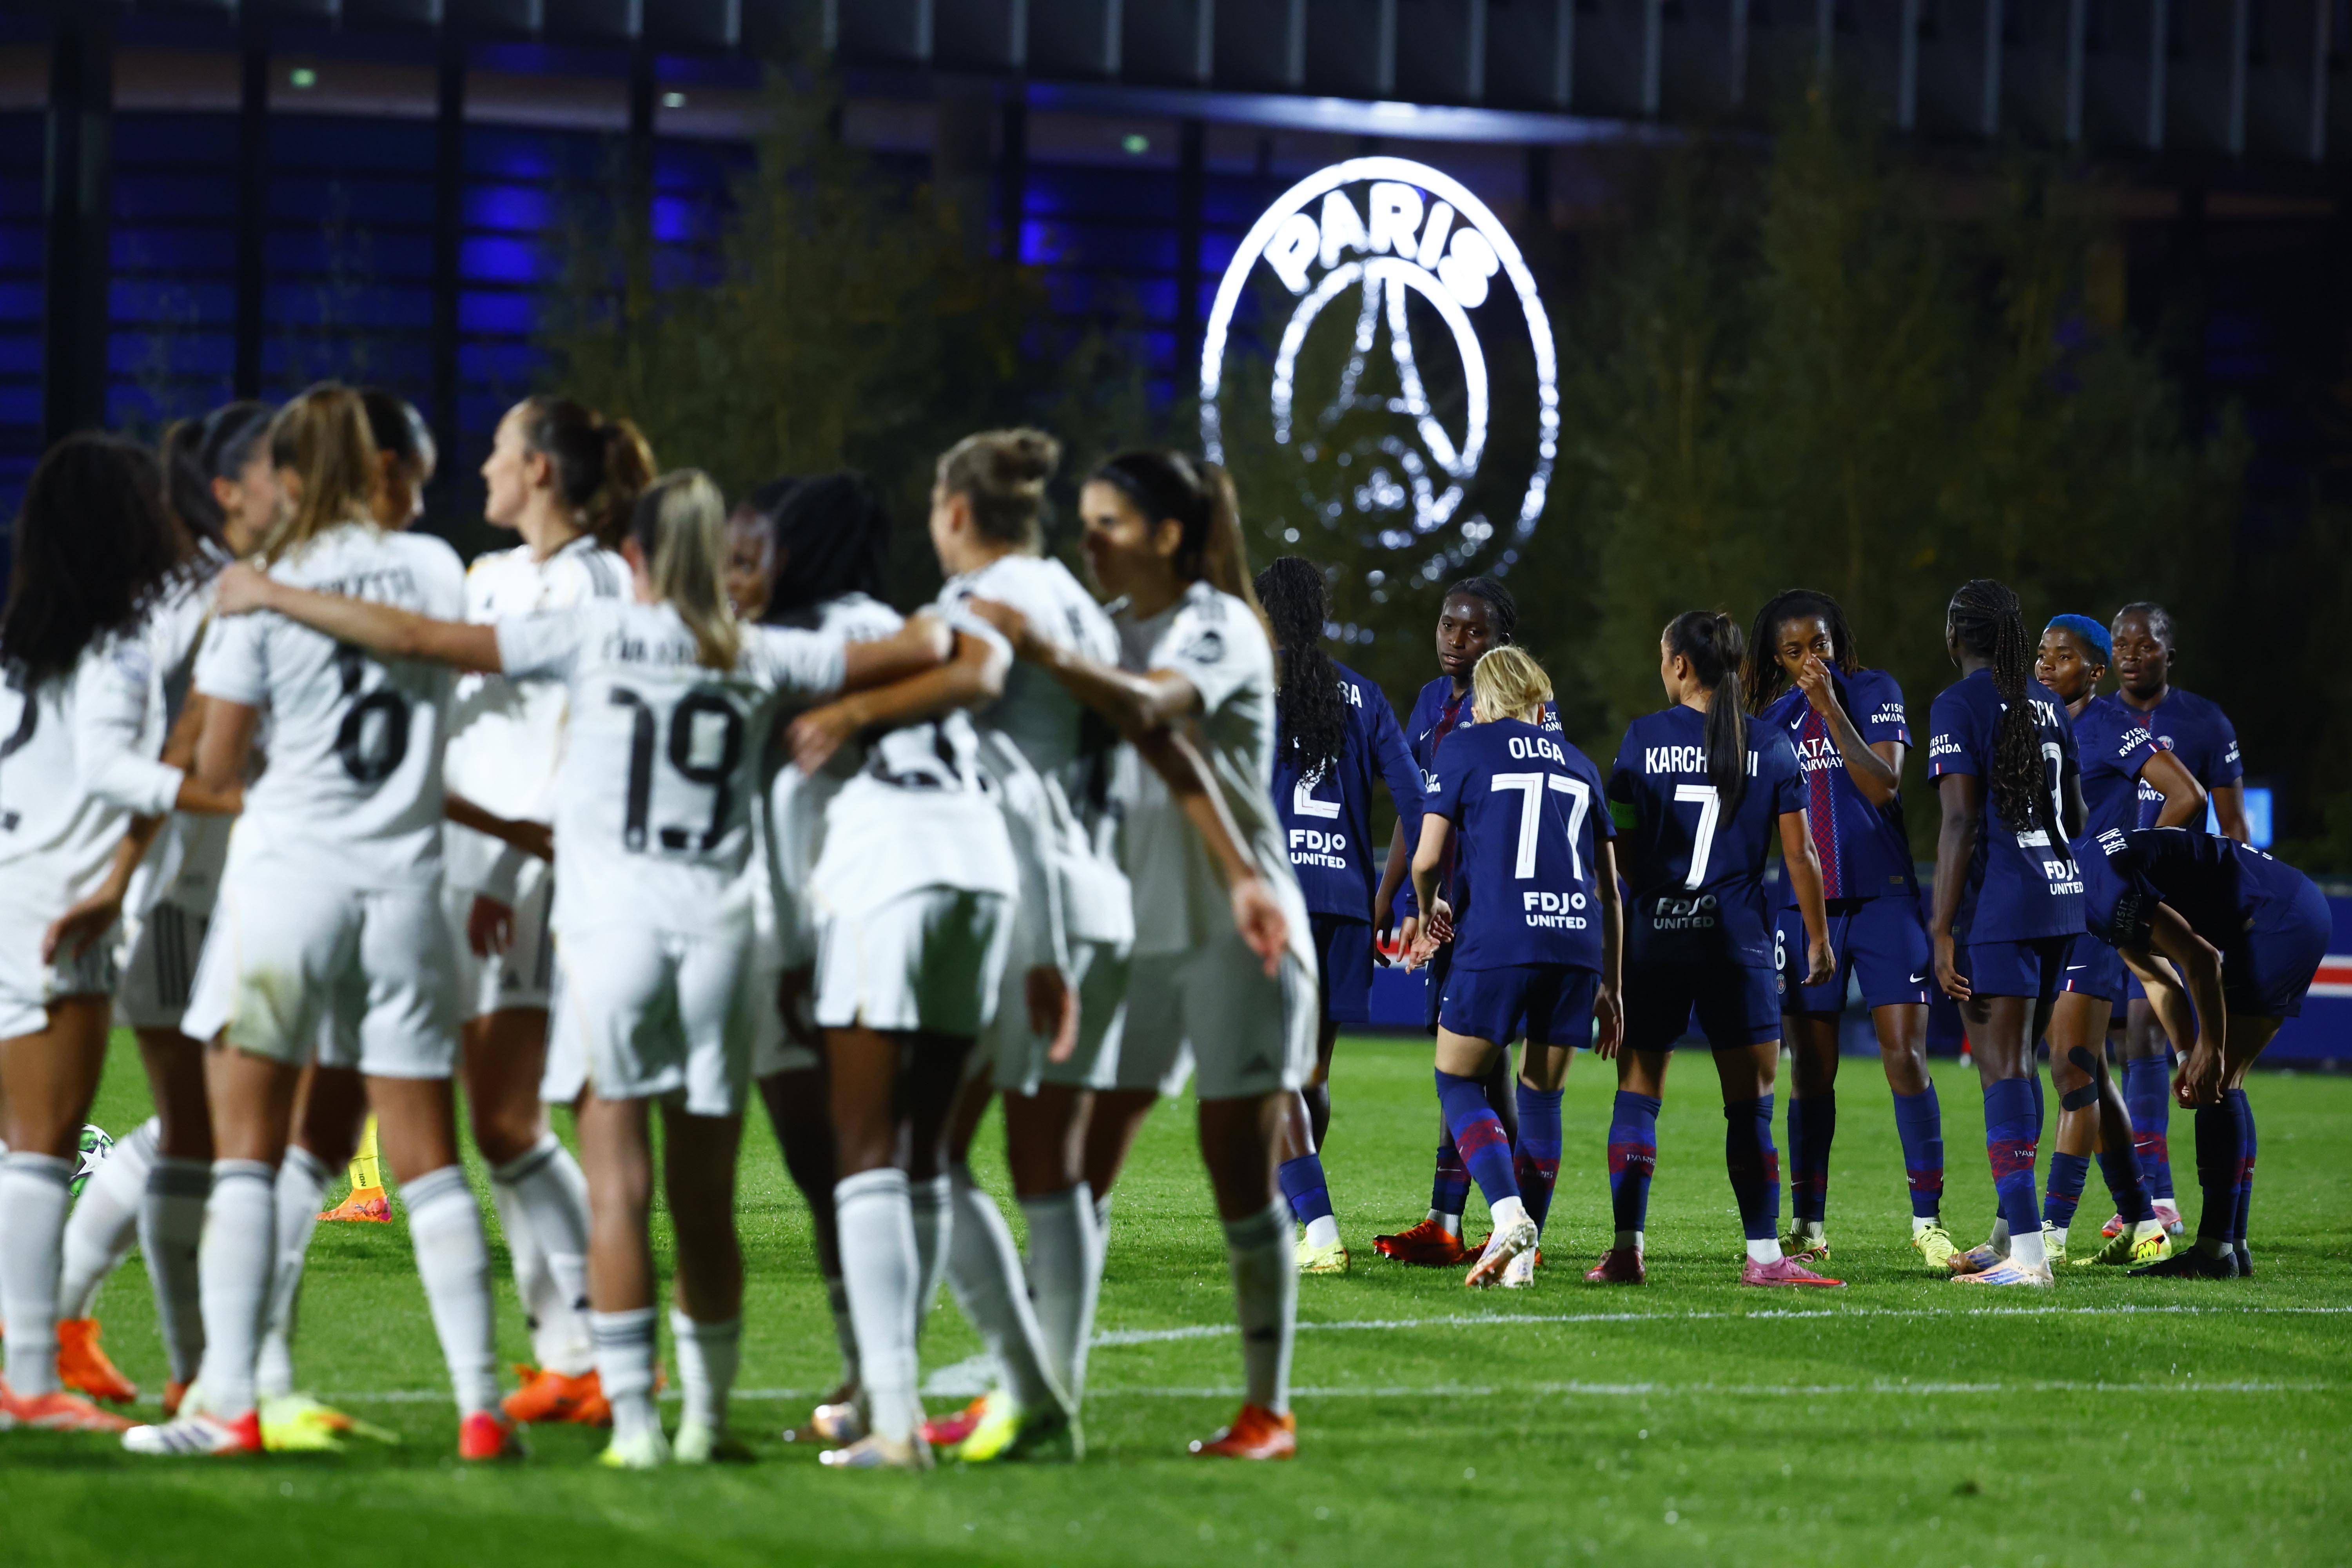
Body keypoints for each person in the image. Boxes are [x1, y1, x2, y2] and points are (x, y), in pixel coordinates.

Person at [206, 466, 952, 1468]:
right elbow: (931, 646)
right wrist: (939, 633)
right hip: (720, 938)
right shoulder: (759, 648)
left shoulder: (592, 633)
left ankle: (636, 1426)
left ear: (635, 554)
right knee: (705, 1197)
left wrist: (274, 592)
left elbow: (422, 639)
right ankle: (704, 1423)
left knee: (618, 1191)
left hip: (614, 935)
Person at [116, 383, 513, 1458]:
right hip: (406, 887)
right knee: (428, 1159)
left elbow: (218, 768)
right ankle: (482, 1409)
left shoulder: (260, 588)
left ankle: (229, 1403)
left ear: (289, 475)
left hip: (286, 884)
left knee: (247, 1157)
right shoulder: (434, 566)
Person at [967, 448, 1310, 1461]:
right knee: (1079, 1165)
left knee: (1236, 1166)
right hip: (1132, 930)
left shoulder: (1218, 624)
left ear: (1167, 534)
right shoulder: (1105, 630)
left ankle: (1268, 1409)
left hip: (1237, 933)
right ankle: (1039, 1395)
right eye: (1080, 521)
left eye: (1108, 522)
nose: (1087, 541)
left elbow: (1155, 709)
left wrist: (1038, 646)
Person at [793, 430, 1131, 1463]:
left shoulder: (979, 603)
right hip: (1093, 888)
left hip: (1010, 887)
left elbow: (974, 694)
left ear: (954, 513)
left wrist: (850, 705)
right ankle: (1038, 1394)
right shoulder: (1080, 605)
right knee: (1045, 1168)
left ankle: (942, 1396)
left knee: (920, 1151)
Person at [48, 403, 268, 1413]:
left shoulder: (222, 587)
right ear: (228, 488)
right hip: (188, 891)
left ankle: (72, 1323)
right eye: (279, 466)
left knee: (209, 1129)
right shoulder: (209, 598)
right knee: (210, 1132)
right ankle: (173, 1362)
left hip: (213, 884)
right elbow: (175, 748)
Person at [437, 394, 650, 1429]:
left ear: (540, 471)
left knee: (512, 1117)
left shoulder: (597, 580)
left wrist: (513, 871)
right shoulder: (488, 575)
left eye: (499, 450)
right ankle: (574, 1350)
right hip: (463, 861)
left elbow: (583, 744)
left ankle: (599, 1346)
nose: (484, 466)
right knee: (496, 1120)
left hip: (525, 871)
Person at [0, 434, 202, 1434]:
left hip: (12, 888)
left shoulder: (20, 649)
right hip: (58, 908)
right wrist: (221, 793)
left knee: (24, 1145)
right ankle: (30, 1380)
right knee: (41, 1147)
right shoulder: (114, 646)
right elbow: (109, 769)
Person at [1592, 611, 1838, 1288]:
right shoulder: (1773, 745)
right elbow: (1801, 855)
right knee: (1750, 1105)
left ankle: (1626, 1251)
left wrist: (1655, 896)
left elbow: (1618, 846)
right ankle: (1764, 1257)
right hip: (1739, 943)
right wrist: (1818, 939)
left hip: (1656, 939)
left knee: (1638, 1094)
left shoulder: (1643, 739)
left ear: (1679, 665)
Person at [736, 472, 904, 1448]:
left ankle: (885, 1379)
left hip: (844, 923)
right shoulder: (785, 629)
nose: (751, 566)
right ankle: (865, 1370)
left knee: (858, 1160)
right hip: (786, 923)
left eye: (764, 547)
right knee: (820, 1165)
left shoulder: (859, 631)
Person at [1744, 590, 1953, 1269]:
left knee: (1905, 1057)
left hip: (1886, 901)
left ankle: (1928, 1224)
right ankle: (1808, 1224)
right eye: (1795, 651)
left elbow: (1884, 785)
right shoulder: (1772, 722)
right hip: (1806, 911)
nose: (1811, 659)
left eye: (1820, 644)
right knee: (1811, 1071)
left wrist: (1831, 709)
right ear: (1777, 659)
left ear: (1838, 641)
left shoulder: (1873, 690)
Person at [1406, 645, 1619, 1289]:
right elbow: (1611, 891)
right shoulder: (1581, 764)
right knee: (1543, 1097)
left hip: (1500, 936)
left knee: (1458, 1081)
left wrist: (1429, 907)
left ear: (1485, 698)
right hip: (1577, 943)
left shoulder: (1465, 747)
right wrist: (1611, 985)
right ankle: (1522, 1259)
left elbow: (1426, 859)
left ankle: (1507, 1217)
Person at [1370, 577, 1551, 1267]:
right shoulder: (1428, 703)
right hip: (1442, 912)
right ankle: (1455, 1221)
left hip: (1492, 912)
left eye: (1475, 631)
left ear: (1502, 641)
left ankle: (1510, 1221)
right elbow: (1418, 810)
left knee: (1482, 1066)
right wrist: (1390, 898)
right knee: (1475, 1065)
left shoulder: (1528, 710)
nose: (1456, 639)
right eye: (1449, 624)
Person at [1258, 555, 1424, 1277]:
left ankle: (1319, 1229)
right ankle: (1289, 1222)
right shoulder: (1365, 694)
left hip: (1273, 902)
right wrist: (1404, 898)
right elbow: (1417, 803)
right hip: (1344, 907)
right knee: (1310, 1075)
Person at [2070, 827, 2329, 1279]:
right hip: (2289, 907)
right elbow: (2158, 978)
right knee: (2224, 1080)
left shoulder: (2100, 889)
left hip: (2279, 918)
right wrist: (2188, 1055)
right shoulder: (2090, 878)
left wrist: (2209, 1045)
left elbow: (2202, 958)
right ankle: (2232, 1246)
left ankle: (2214, 1253)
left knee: (2220, 1081)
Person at [1925, 579, 2086, 1289]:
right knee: (2022, 1063)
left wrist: (1940, 928)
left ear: (1956, 634)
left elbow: (1960, 820)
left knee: (2003, 1071)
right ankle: (2006, 1237)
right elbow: (2076, 814)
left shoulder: (1958, 704)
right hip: (2062, 900)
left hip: (2003, 907)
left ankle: (2028, 1257)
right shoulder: (2047, 702)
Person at [2030, 615, 2200, 1269]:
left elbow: (2184, 794)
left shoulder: (2107, 725)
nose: (2047, 665)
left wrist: (2127, 863)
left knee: (2071, 1067)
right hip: (2045, 911)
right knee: (2092, 1074)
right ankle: (2143, 1222)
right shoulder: (2038, 724)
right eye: (2042, 654)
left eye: (2064, 656)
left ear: (2095, 671)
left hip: (2092, 914)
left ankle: (2049, 1233)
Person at [2109, 602, 2247, 1236]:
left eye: (2146, 644)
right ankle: (2147, 1195)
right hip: (2104, 897)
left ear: (2170, 653)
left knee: (2146, 1031)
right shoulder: (2095, 720)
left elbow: (2234, 826)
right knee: (2111, 1044)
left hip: (2169, 905)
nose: (2132, 655)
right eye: (2122, 644)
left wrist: (2227, 906)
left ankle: (2157, 1200)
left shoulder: (2205, 723)